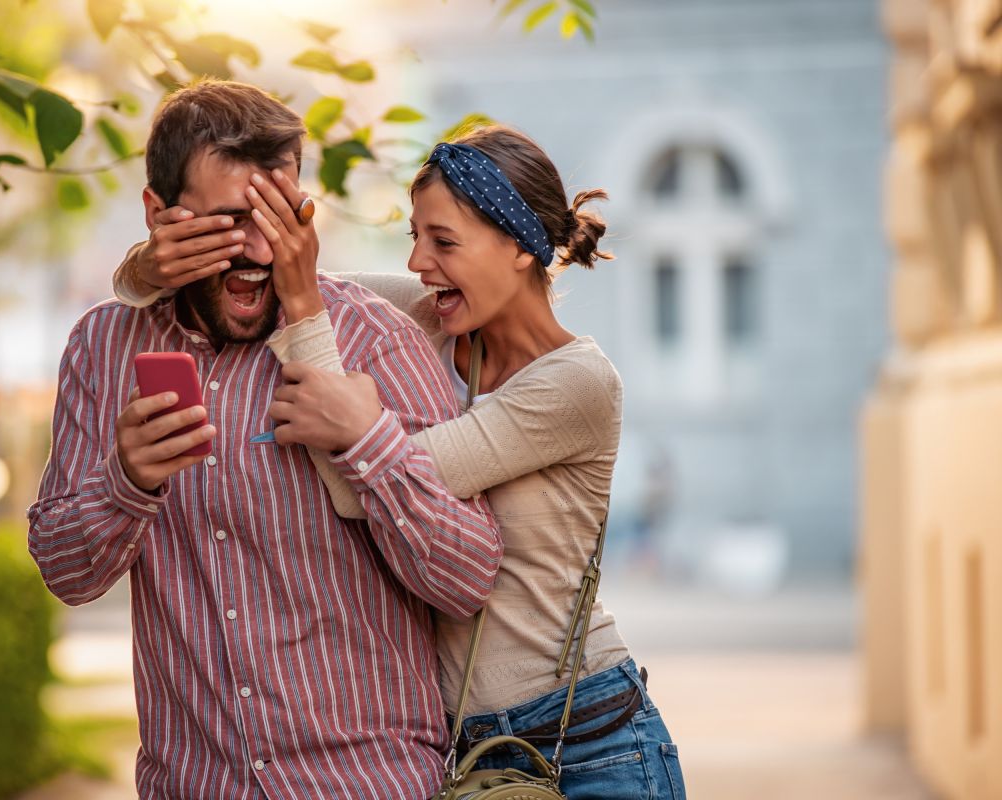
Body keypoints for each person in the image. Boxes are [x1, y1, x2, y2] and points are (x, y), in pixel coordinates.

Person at [115, 125, 687, 798]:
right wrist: (148, 267)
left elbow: (373, 486)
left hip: (590, 743)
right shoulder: (430, 320)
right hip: (465, 753)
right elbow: (265, 274)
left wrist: (349, 402)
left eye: (443, 241)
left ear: (518, 246)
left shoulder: (576, 384)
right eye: (414, 237)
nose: (418, 262)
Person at [28, 79, 503, 800]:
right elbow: (66, 574)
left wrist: (367, 442)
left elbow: (465, 578)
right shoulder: (102, 348)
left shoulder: (370, 340)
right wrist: (126, 480)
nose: (257, 251)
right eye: (226, 222)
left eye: (278, 218)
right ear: (160, 215)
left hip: (367, 784)